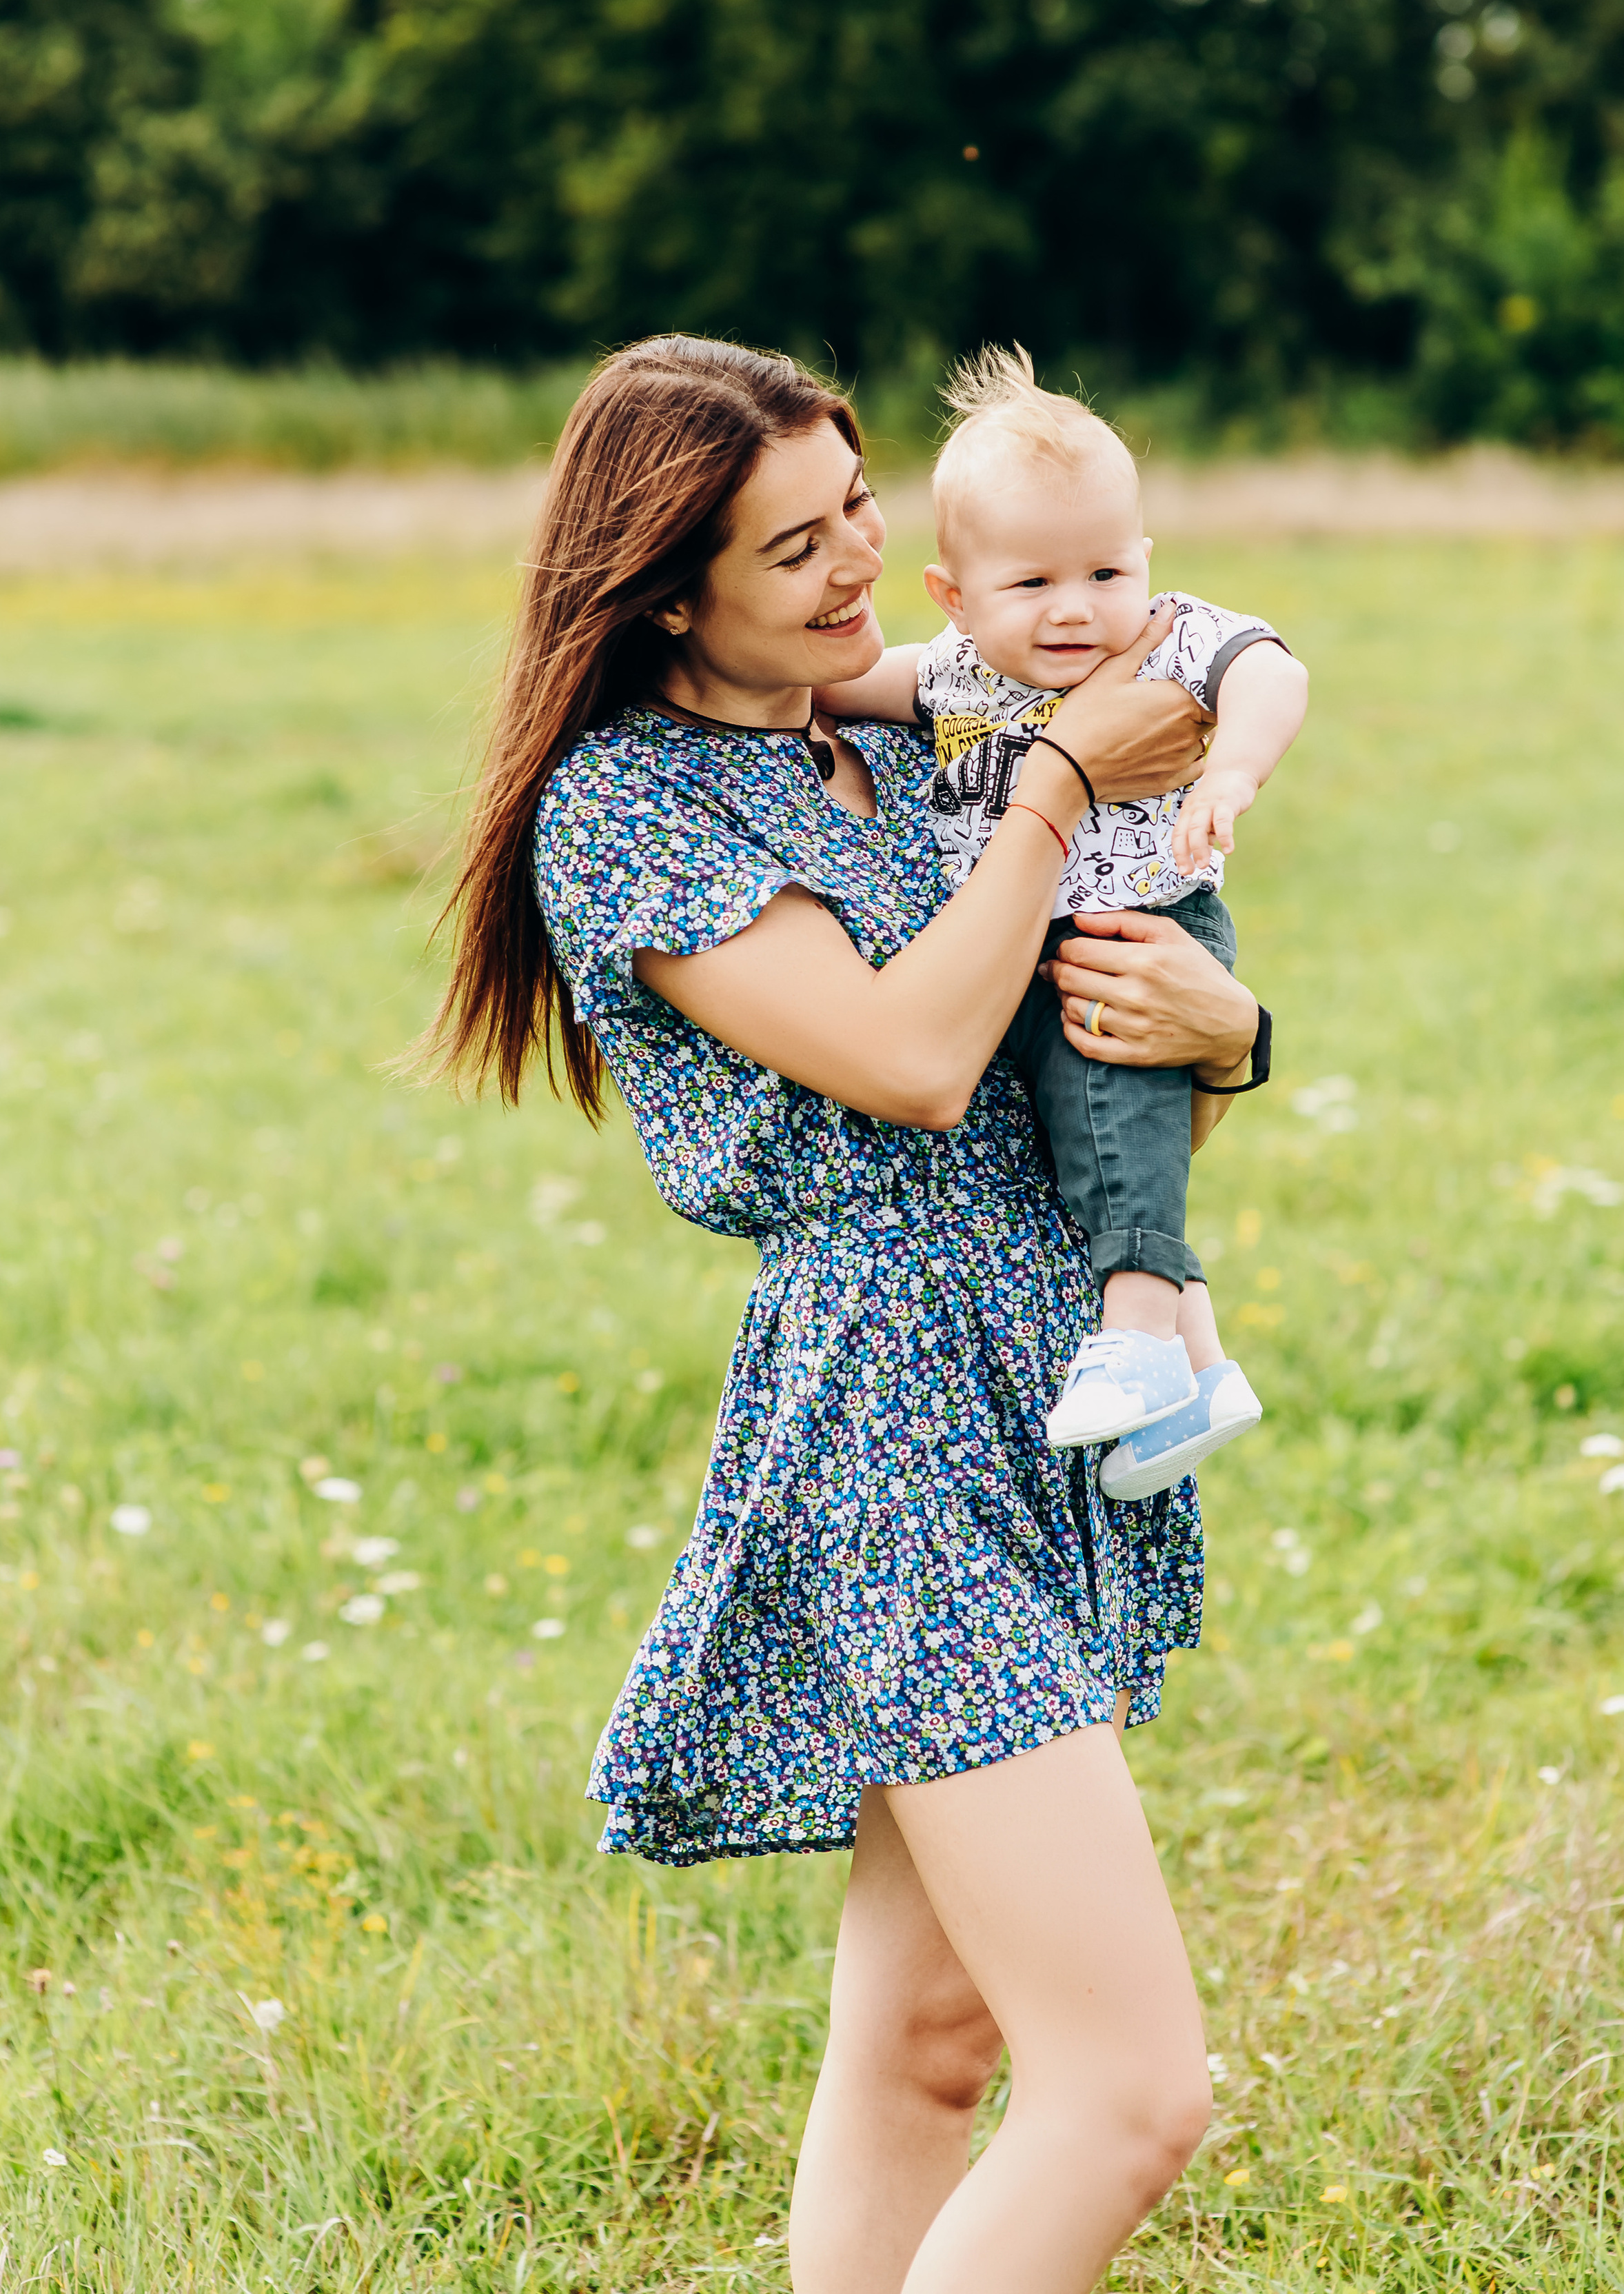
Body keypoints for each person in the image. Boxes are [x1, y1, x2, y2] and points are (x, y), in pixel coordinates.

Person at [425, 335, 1267, 2294]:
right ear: (665, 590)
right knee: (1131, 2093)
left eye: (858, 505)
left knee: (931, 2043)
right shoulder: (632, 812)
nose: (857, 564)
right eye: (791, 545)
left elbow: (1093, 1067)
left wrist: (1228, 1032)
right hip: (894, 1423)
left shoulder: (900, 731)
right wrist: (1058, 783)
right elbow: (909, 1060)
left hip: (1044, 1373)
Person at [816, 344, 1308, 1503]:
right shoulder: (953, 674)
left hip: (1139, 928)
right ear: (955, 597)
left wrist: (1232, 769)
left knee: (1110, 1106)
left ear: (1146, 560)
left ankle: (1136, 1335)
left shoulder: (1165, 636)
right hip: (1032, 948)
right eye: (1033, 583)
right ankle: (1198, 1365)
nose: (1077, 607)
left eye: (1105, 569)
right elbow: (823, 687)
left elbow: (1271, 670)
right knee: (1085, 1142)